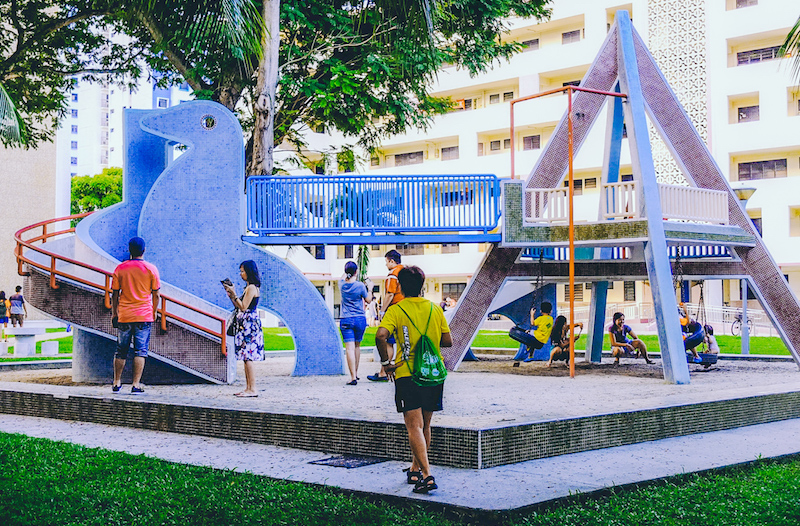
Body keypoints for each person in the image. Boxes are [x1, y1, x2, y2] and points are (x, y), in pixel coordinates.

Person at [376, 265, 451, 494]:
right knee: (425, 425)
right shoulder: (435, 309)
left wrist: (386, 363)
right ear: (423, 285)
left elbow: (381, 335)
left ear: (399, 286)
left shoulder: (396, 311)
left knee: (413, 426)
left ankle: (427, 475)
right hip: (433, 374)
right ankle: (415, 469)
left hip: (407, 374)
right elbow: (448, 341)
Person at [111, 237, 160, 394]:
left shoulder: (120, 269)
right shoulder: (151, 269)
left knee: (121, 350)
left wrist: (114, 313)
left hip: (124, 315)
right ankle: (136, 385)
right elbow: (156, 294)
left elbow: (115, 294)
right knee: (141, 351)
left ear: (129, 250)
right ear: (144, 250)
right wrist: (154, 311)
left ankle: (117, 382)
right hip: (144, 315)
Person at [223, 260, 265, 397]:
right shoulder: (248, 288)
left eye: (243, 271)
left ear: (249, 271)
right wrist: (231, 295)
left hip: (249, 325)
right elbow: (238, 305)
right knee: (245, 357)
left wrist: (234, 293)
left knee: (248, 357)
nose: (241, 274)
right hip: (246, 324)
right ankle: (248, 388)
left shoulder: (252, 288)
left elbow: (243, 307)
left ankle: (252, 389)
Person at [368, 249, 404, 382]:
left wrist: (382, 311)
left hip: (395, 310)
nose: (386, 264)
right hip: (407, 309)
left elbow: (390, 294)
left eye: (386, 261)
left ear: (392, 261)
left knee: (389, 342)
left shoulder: (392, 275)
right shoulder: (406, 273)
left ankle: (384, 371)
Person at [339, 261, 373, 385]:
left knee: (349, 349)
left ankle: (352, 377)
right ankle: (356, 374)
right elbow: (368, 300)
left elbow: (342, 277)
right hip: (359, 319)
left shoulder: (341, 285)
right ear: (356, 272)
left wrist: (347, 272)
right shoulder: (360, 286)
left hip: (345, 319)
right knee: (357, 346)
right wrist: (370, 289)